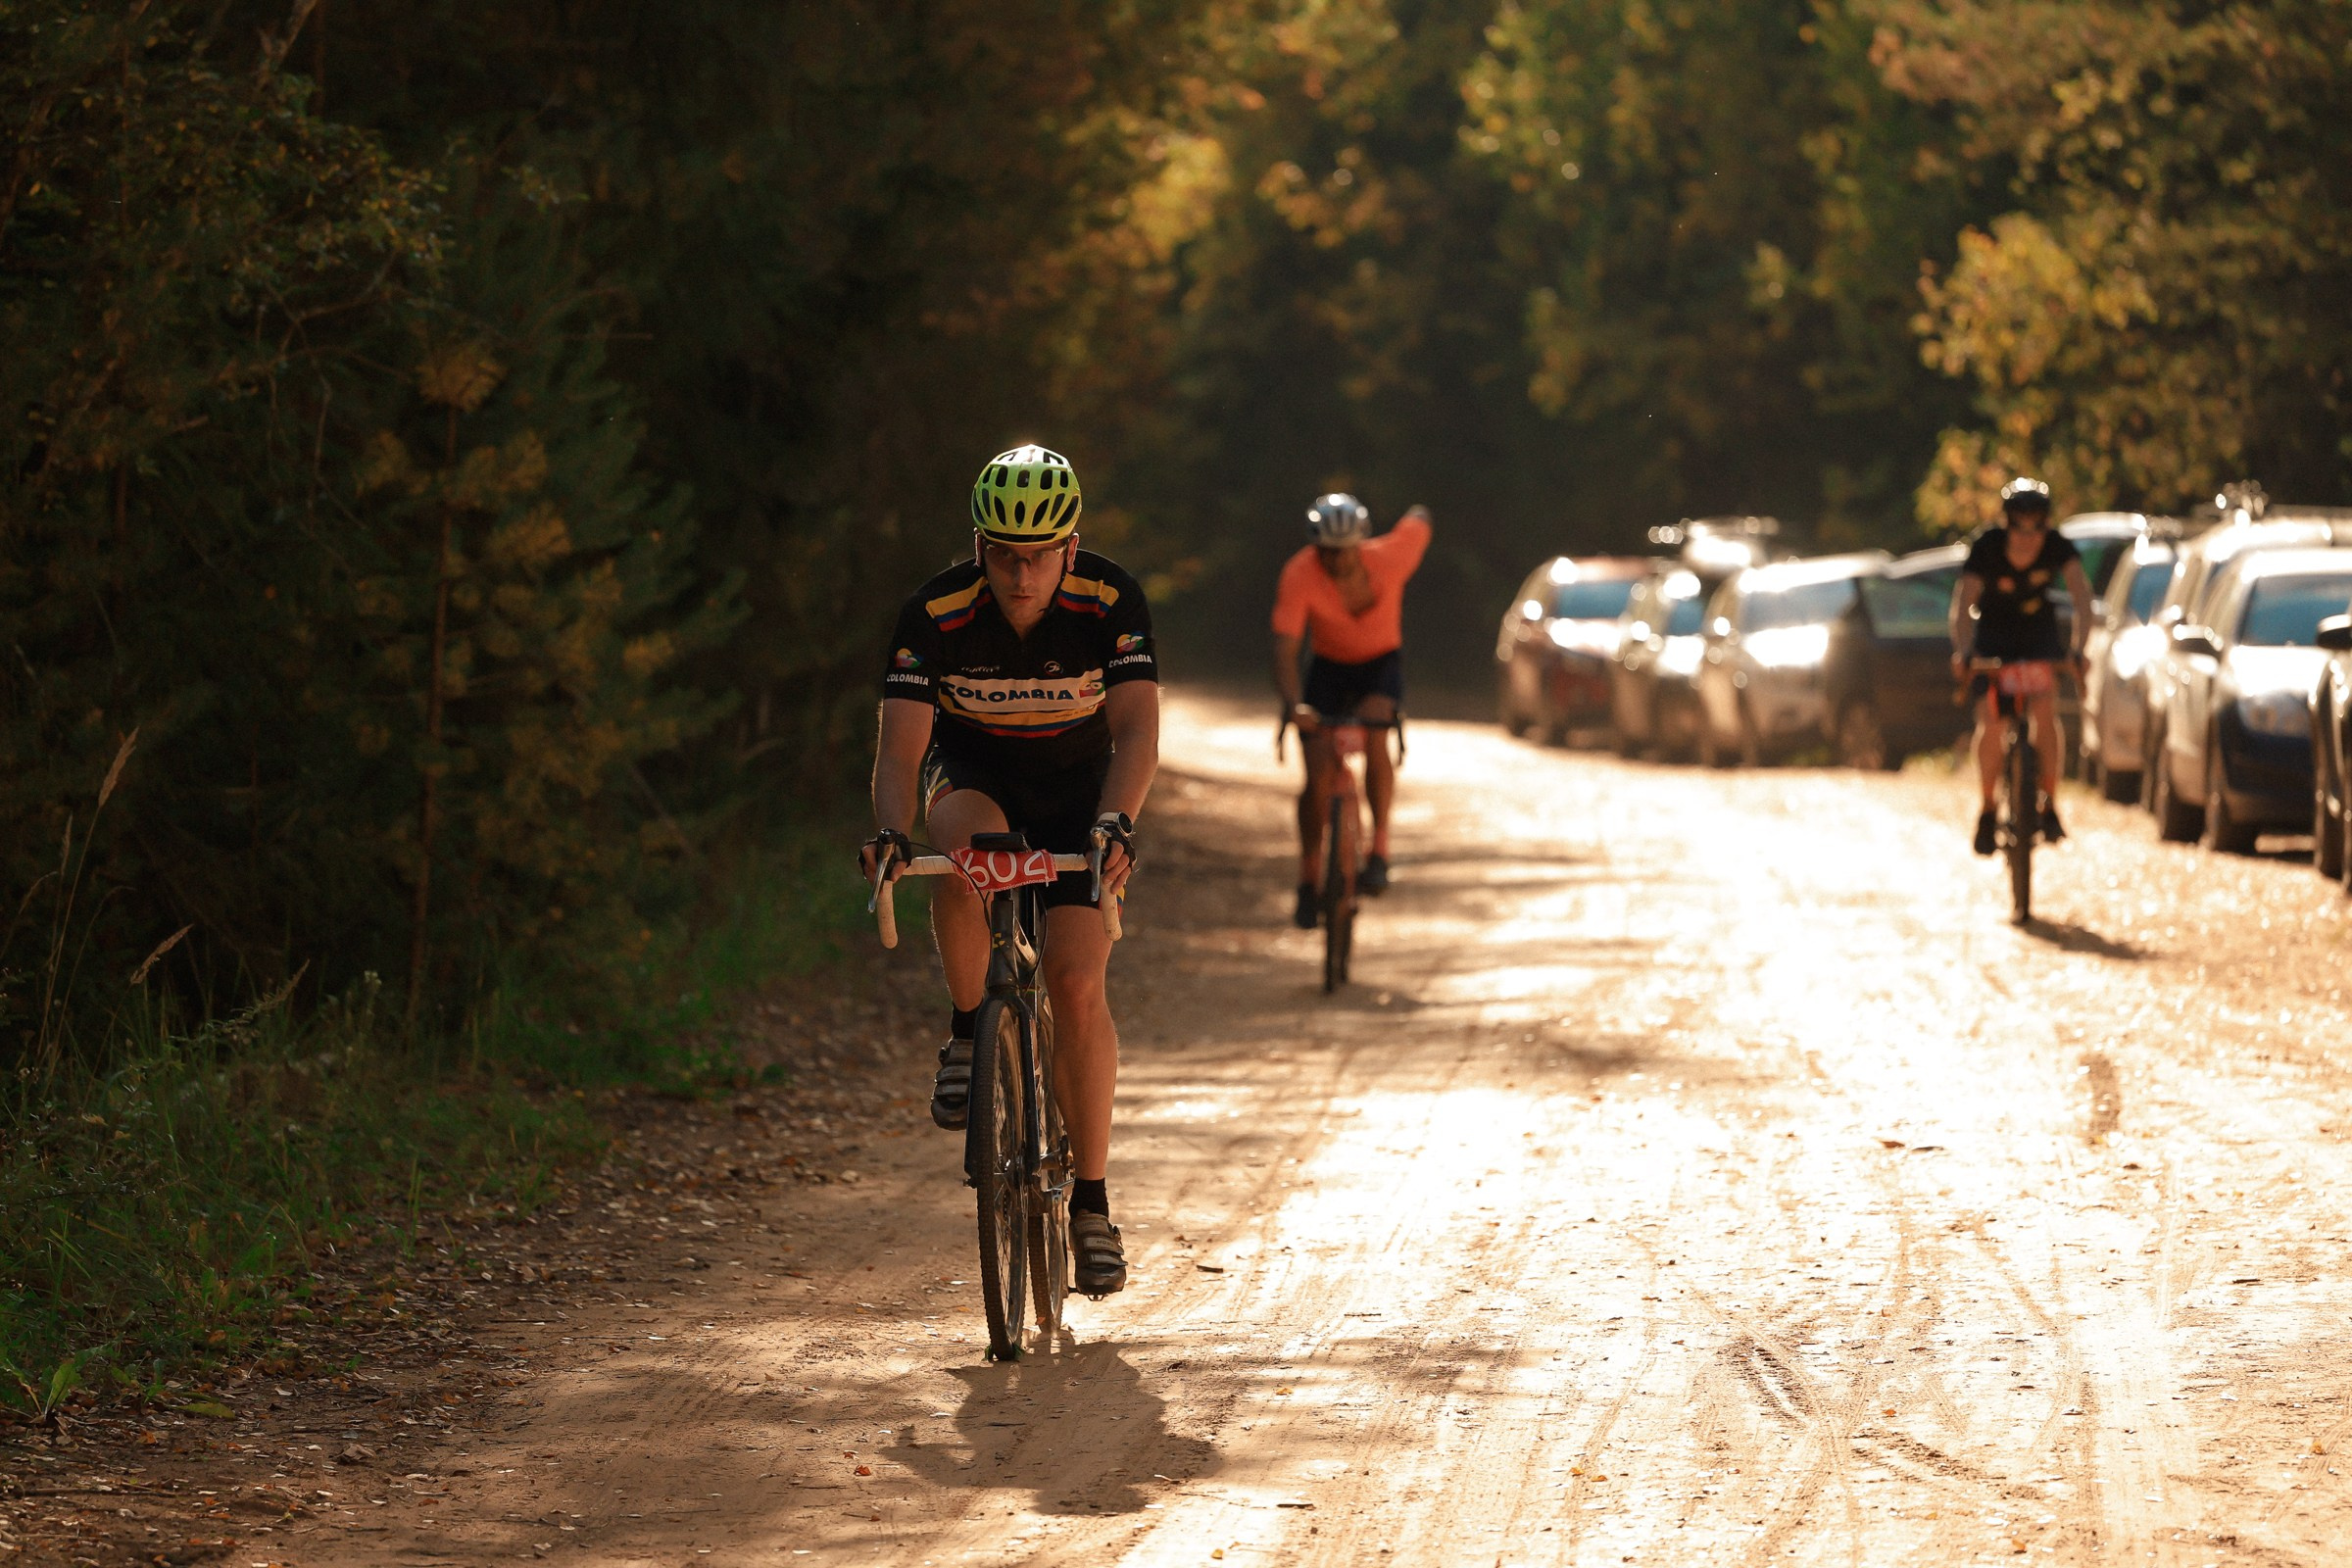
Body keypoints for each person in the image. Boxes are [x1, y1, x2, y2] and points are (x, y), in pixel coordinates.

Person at [858, 444, 1159, 1297]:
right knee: (968, 863)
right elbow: (901, 749)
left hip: (1079, 795)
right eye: (1002, 555)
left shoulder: (1111, 601)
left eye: (1038, 557)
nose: (1021, 578)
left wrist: (1116, 820)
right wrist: (888, 829)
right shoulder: (936, 611)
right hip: (976, 778)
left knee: (1074, 982)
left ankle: (1092, 1205)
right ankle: (966, 1033)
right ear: (979, 545)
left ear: (1071, 546)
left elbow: (1137, 730)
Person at [1271, 495, 1431, 928]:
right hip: (1328, 669)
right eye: (1325, 551)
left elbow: (1419, 518)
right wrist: (1294, 705)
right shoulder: (1300, 572)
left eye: (1342, 551)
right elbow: (1286, 649)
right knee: (1317, 772)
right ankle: (1308, 880)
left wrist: (1418, 510)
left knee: (1377, 728)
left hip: (1381, 665)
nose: (1333, 560)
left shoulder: (1391, 557)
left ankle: (1378, 850)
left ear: (1359, 545)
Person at [1948, 476, 2094, 854]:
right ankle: (1987, 809)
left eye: (2037, 526)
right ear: (2006, 522)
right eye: (2019, 525)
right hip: (1994, 633)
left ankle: (2048, 803)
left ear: (2046, 523)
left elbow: (2081, 598)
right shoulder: (1986, 547)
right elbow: (1963, 604)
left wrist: (2079, 649)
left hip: (2037, 632)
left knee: (2045, 712)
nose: (2028, 536)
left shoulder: (2059, 547)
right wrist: (1964, 651)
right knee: (1992, 722)